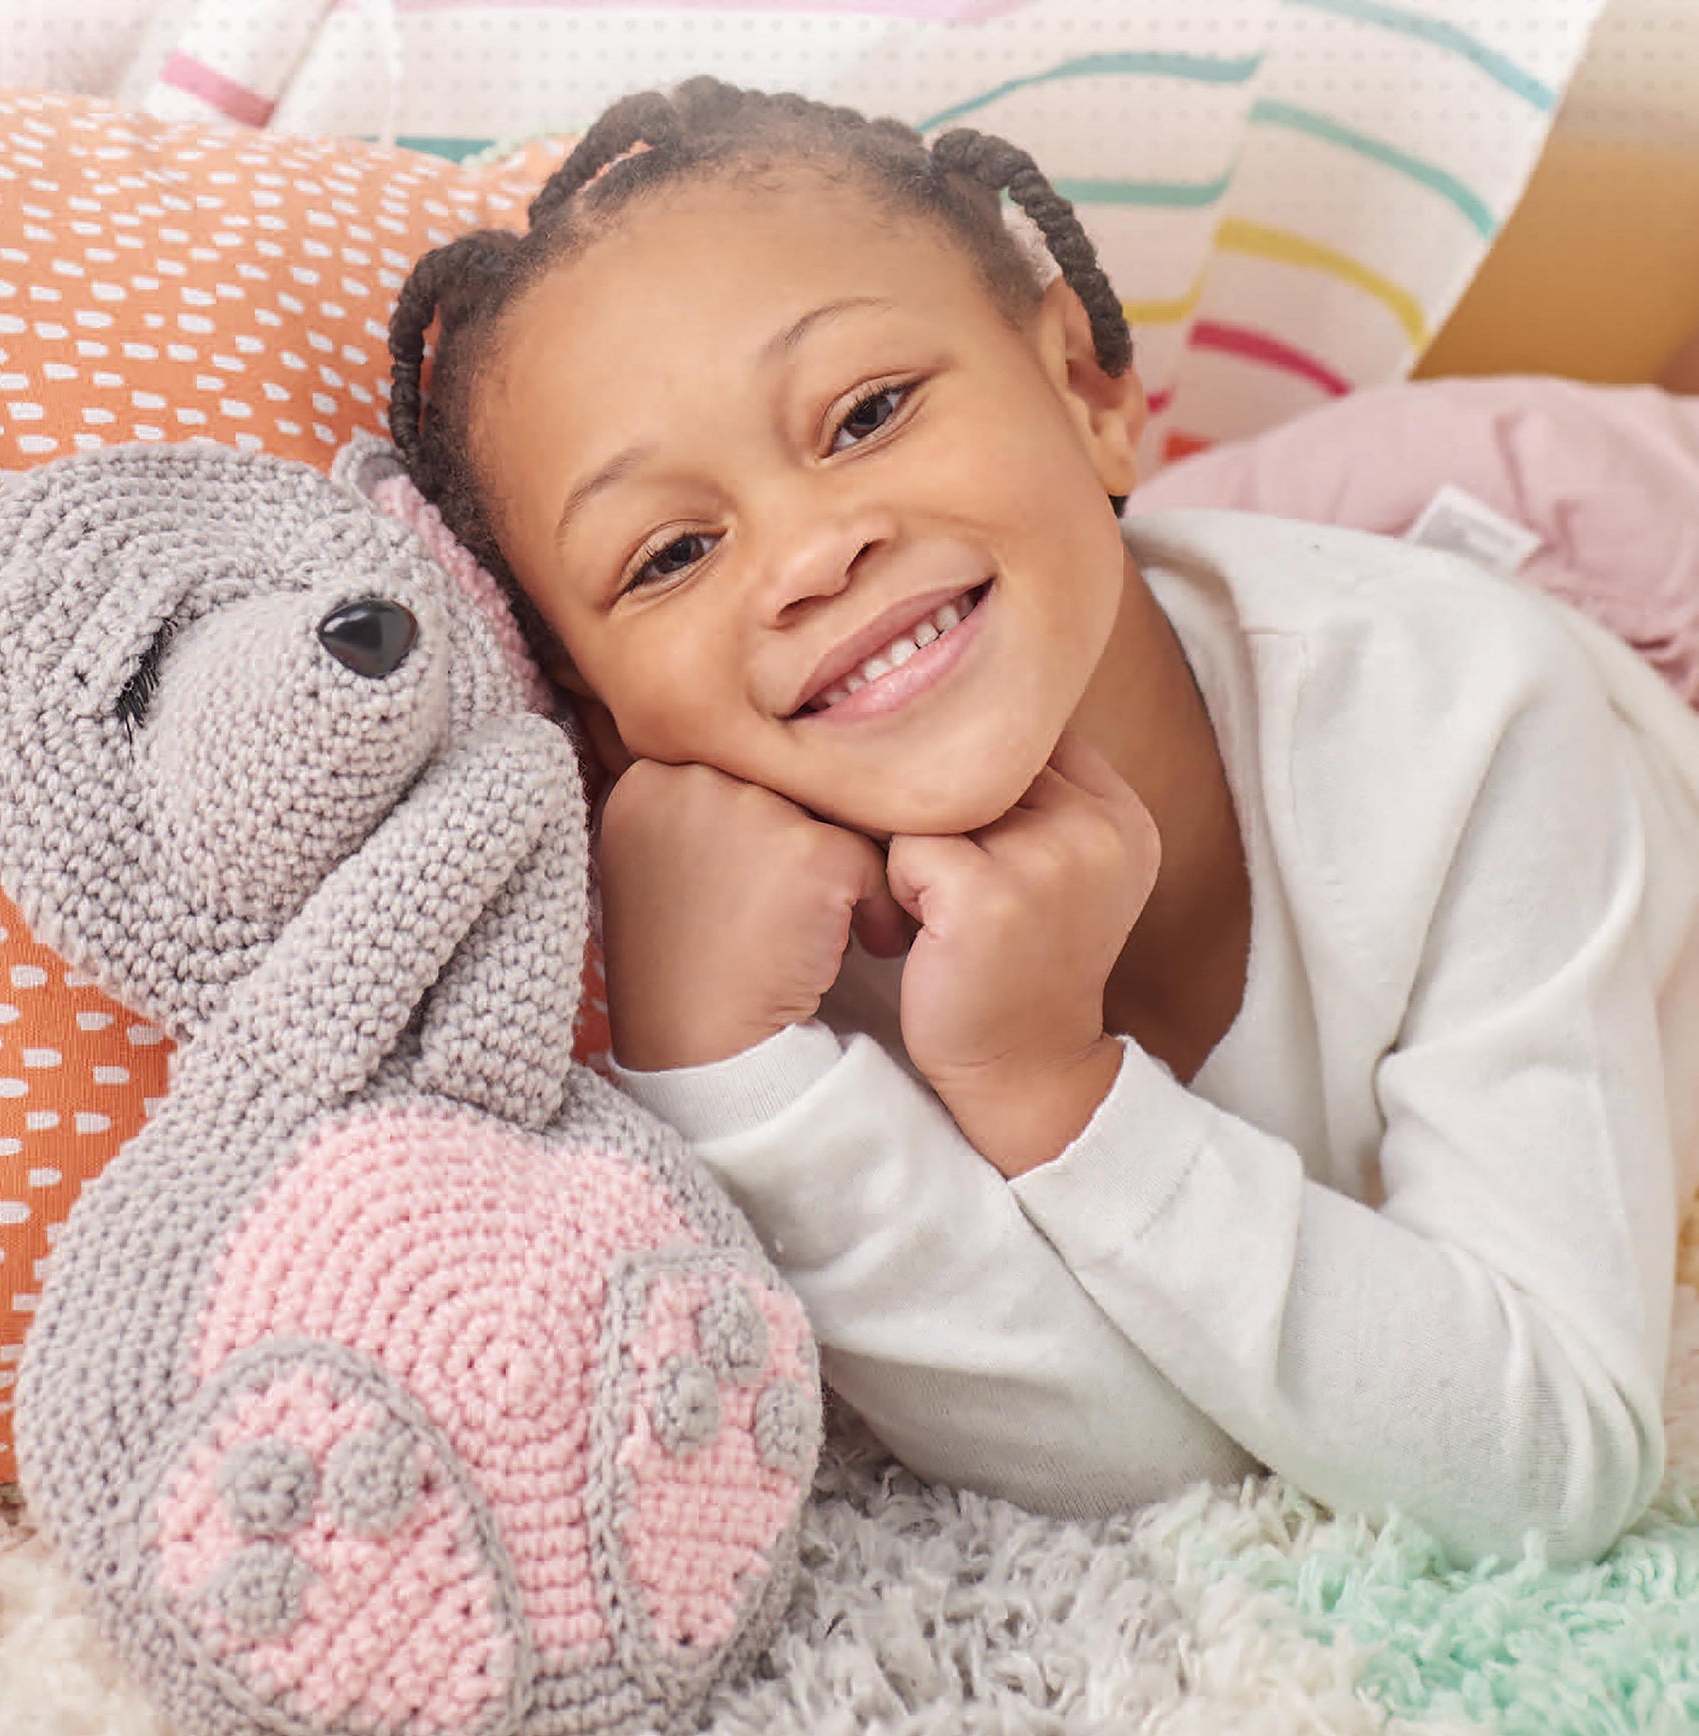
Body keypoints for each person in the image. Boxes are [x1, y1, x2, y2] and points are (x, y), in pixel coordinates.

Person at [386, 78, 1699, 1565]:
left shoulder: (1467, 716)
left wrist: (1051, 1093)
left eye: (866, 413)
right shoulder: (743, 950)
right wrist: (748, 1080)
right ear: (606, 720)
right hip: (1101, 578)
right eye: (671, 552)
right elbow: (1146, 1455)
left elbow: (1552, 1461)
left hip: (1593, 598)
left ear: (1087, 390)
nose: (810, 555)